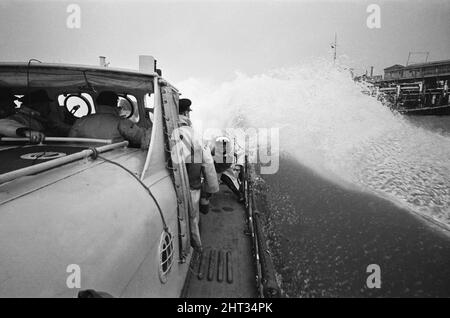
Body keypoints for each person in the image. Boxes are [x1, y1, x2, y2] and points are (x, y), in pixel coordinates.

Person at [177, 98, 219, 250]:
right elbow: (207, 164)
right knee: (193, 218)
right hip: (190, 185)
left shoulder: (162, 130)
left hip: (167, 184)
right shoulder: (193, 135)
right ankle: (196, 246)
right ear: (187, 113)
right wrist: (210, 190)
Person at [69, 91, 151, 149]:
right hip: (114, 160)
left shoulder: (81, 121)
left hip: (85, 160)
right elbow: (142, 138)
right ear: (115, 104)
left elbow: (70, 143)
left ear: (97, 104)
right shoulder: (122, 122)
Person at [0, 89, 64, 143]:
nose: (14, 105)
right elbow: (3, 124)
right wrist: (26, 132)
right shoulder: (21, 117)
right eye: (46, 104)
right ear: (37, 105)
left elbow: (61, 128)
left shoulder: (43, 119)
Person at [210, 136, 244, 203]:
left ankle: (240, 194)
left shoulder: (229, 154)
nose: (222, 147)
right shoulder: (214, 149)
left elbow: (224, 166)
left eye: (224, 145)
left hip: (225, 168)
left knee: (230, 180)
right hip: (217, 167)